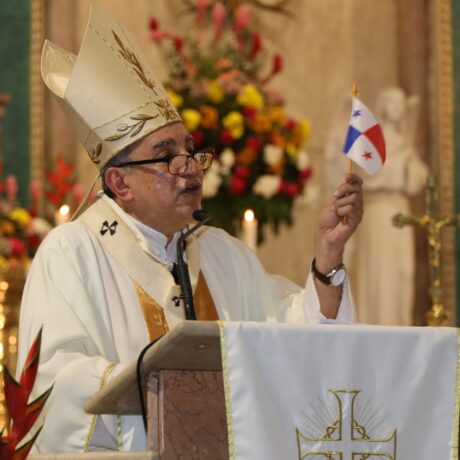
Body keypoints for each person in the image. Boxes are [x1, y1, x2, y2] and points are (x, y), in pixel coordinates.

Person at [17, 7, 363, 454]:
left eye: (189, 150)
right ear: (120, 183)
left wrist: (327, 258)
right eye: (166, 155)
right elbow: (51, 382)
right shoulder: (71, 252)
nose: (188, 167)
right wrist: (164, 387)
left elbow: (290, 339)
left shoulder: (221, 252)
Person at [353, 86, 428, 325]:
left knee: (402, 273)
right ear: (384, 106)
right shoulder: (374, 139)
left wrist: (410, 166)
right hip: (380, 213)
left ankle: (399, 326)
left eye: (401, 104)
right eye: (393, 103)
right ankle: (378, 325)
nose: (398, 109)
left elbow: (418, 179)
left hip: (401, 212)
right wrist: (399, 165)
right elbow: (370, 174)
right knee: (381, 275)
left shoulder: (405, 141)